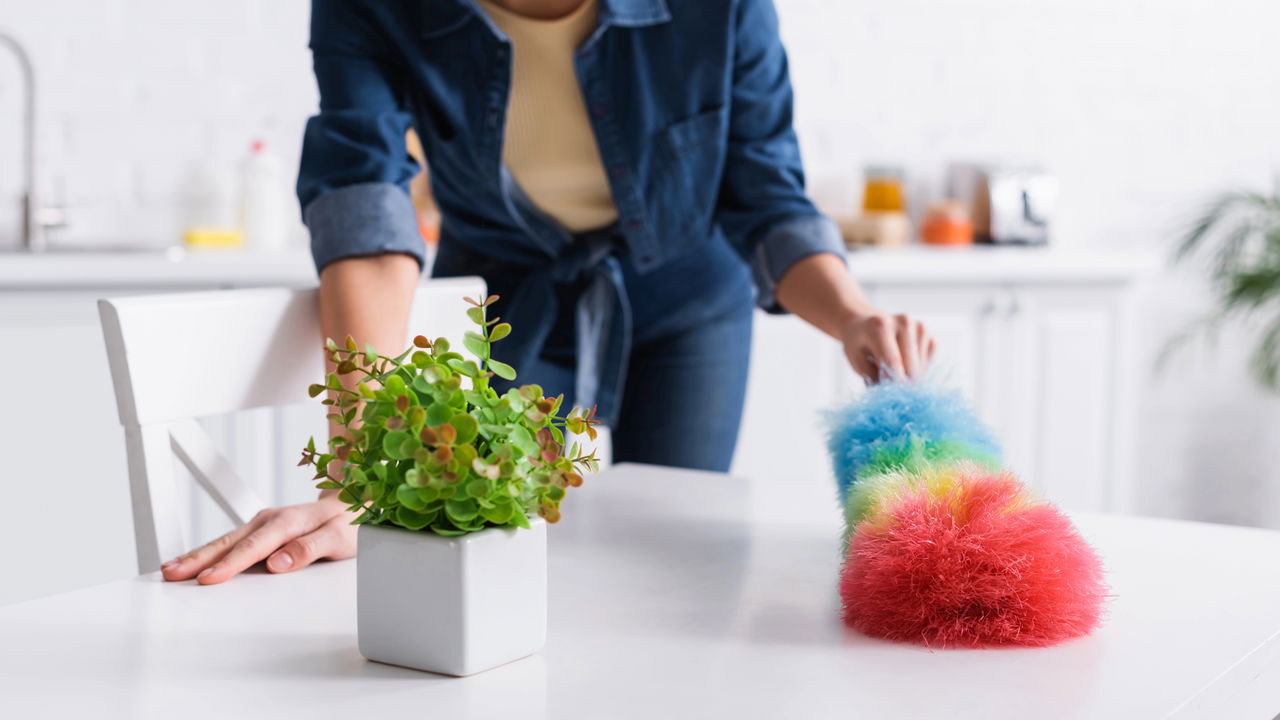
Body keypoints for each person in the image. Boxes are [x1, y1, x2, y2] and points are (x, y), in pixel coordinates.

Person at [161, 0, 935, 586]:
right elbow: (364, 198)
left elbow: (766, 196)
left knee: (680, 565)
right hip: (504, 299)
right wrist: (368, 470)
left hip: (689, 302)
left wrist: (852, 315)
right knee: (492, 556)